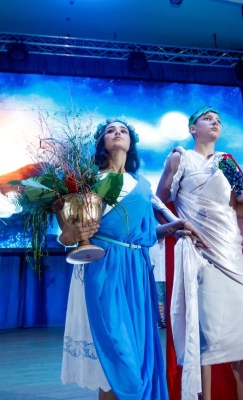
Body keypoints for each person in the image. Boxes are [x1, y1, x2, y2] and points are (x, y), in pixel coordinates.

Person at [155, 107, 243, 400]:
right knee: (205, 338)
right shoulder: (179, 158)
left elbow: (236, 209)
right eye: (207, 119)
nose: (215, 122)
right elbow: (159, 203)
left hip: (231, 257)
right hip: (201, 257)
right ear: (193, 128)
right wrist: (176, 229)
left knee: (242, 336)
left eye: (218, 120)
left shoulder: (227, 163)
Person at [59, 118, 202, 400]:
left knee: (136, 353)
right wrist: (76, 232)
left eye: (123, 131)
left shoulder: (141, 186)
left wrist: (169, 228)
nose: (117, 133)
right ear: (102, 143)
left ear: (131, 143)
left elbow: (145, 235)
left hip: (137, 271)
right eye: (110, 131)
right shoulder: (87, 183)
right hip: (104, 267)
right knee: (118, 353)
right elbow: (65, 237)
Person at [149, 238, 166, 329]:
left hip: (169, 275)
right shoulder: (152, 246)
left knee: (170, 297)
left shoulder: (169, 244)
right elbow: (151, 262)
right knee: (160, 298)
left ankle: (170, 320)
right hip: (158, 276)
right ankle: (162, 321)